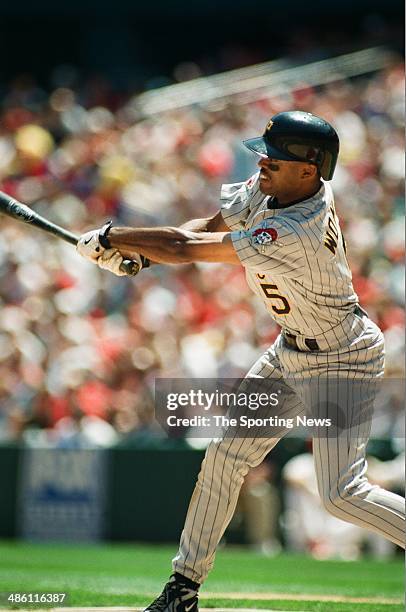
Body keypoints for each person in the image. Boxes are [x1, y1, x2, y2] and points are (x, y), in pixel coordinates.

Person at [76, 111, 405, 612]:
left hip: (342, 355)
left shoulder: (299, 227)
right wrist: (141, 256)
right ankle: (183, 587)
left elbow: (187, 248)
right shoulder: (274, 188)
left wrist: (114, 236)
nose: (263, 162)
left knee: (340, 493)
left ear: (310, 170)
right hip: (292, 348)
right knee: (225, 456)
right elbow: (203, 228)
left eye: (277, 157)